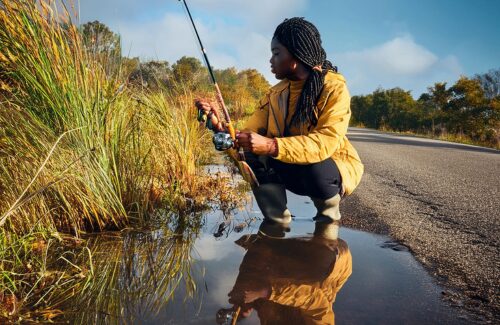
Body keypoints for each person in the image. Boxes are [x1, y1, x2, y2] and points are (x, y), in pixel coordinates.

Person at [196, 17, 363, 238]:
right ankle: (276, 223)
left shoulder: (334, 88)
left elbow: (325, 142)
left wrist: (271, 145)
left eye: (276, 53)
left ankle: (328, 221)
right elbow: (245, 137)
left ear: (294, 57)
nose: (271, 60)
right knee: (250, 153)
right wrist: (218, 126)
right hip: (289, 167)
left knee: (316, 166)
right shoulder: (275, 94)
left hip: (328, 172)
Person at [221, 220, 352, 324]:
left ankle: (271, 231)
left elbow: (271, 308)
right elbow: (314, 300)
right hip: (331, 264)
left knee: (258, 258)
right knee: (263, 252)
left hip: (297, 273)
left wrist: (246, 307)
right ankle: (328, 208)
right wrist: (265, 292)